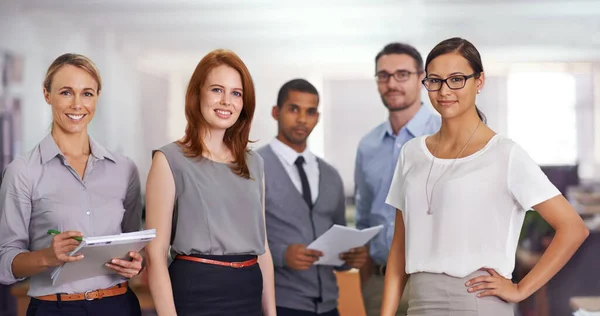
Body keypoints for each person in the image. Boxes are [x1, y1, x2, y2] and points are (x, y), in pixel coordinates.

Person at [381, 37, 590, 316]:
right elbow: (399, 247)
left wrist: (520, 289)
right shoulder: (411, 153)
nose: (444, 91)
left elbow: (573, 228)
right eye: (435, 80)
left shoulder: (505, 154)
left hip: (478, 303)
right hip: (420, 305)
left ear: (479, 81)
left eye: (456, 79)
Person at [0, 53, 144, 316]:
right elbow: (5, 262)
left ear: (97, 96)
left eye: (87, 93)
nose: (78, 104)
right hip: (55, 309)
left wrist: (136, 264)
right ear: (47, 95)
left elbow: (133, 245)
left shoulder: (124, 169)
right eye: (66, 92)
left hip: (119, 305)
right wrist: (47, 257)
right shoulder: (23, 172)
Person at [144, 49, 276, 316]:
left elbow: (263, 248)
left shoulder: (254, 164)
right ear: (197, 94)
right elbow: (155, 254)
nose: (226, 101)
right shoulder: (169, 160)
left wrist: (271, 313)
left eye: (236, 93)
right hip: (196, 294)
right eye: (217, 90)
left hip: (249, 292)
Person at [258, 79, 368, 316]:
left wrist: (350, 257)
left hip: (328, 306)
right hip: (278, 304)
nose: (301, 119)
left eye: (310, 112)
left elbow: (338, 235)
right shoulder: (254, 168)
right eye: (293, 109)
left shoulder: (330, 175)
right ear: (276, 112)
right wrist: (282, 255)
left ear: (317, 117)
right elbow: (239, 238)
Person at [354, 43, 441, 316]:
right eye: (384, 75)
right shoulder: (367, 145)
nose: (392, 83)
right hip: (379, 284)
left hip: (433, 284)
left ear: (421, 78)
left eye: (402, 74)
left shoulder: (446, 133)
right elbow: (364, 216)